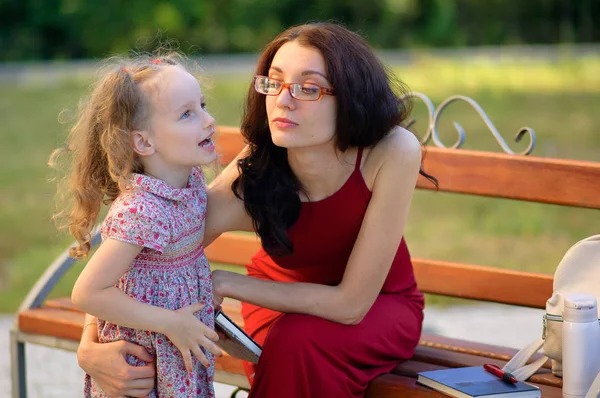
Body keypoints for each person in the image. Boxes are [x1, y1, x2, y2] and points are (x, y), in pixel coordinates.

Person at [77, 22, 437, 397]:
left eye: (308, 88)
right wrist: (90, 348)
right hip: (279, 303)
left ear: (350, 96)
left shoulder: (392, 151)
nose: (283, 100)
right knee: (293, 340)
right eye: (274, 82)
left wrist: (228, 283)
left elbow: (351, 305)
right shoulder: (259, 165)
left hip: (379, 306)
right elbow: (138, 256)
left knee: (298, 342)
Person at [49, 53, 223, 397]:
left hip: (178, 350)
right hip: (144, 360)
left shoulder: (189, 185)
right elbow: (87, 292)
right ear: (143, 142)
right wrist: (171, 322)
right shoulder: (142, 209)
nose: (209, 120)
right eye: (187, 114)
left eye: (202, 105)